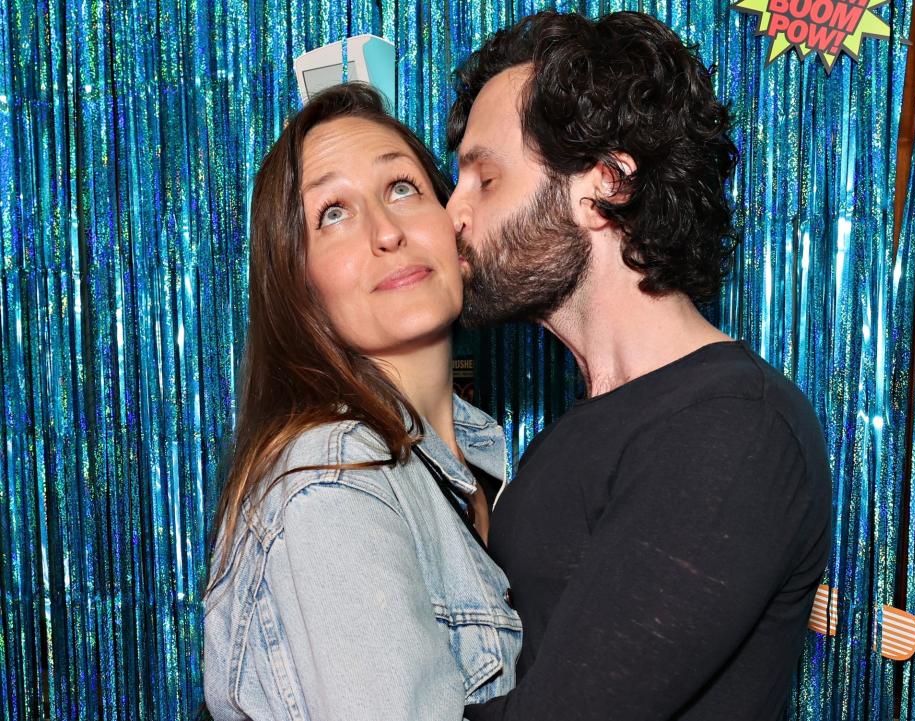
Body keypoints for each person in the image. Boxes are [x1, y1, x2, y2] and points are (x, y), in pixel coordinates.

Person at [444, 11, 833, 720]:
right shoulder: (583, 430)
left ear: (608, 184)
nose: (452, 214)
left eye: (485, 180)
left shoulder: (732, 428)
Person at [202, 82, 521, 720]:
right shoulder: (334, 477)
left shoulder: (483, 451)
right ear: (299, 286)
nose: (386, 232)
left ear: (452, 222)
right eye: (333, 213)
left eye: (401, 187)